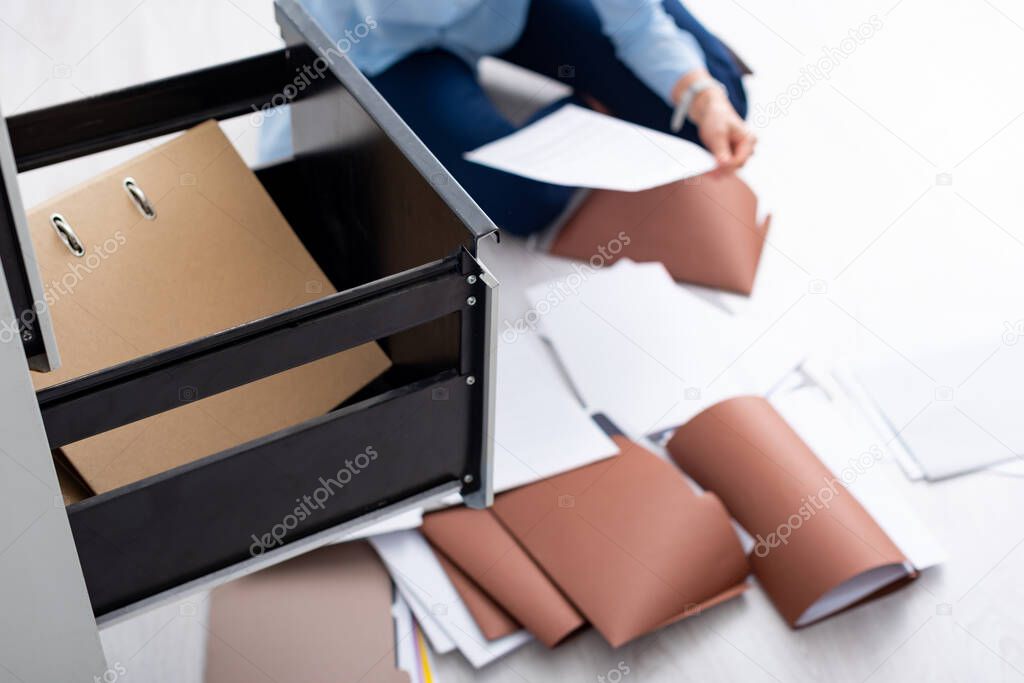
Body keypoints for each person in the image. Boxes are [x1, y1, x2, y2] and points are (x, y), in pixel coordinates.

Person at [272, 0, 755, 236]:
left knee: (711, 102)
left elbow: (640, 24)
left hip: (509, 11)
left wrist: (700, 94)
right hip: (387, 44)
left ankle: (588, 107)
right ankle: (580, 112)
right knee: (519, 203)